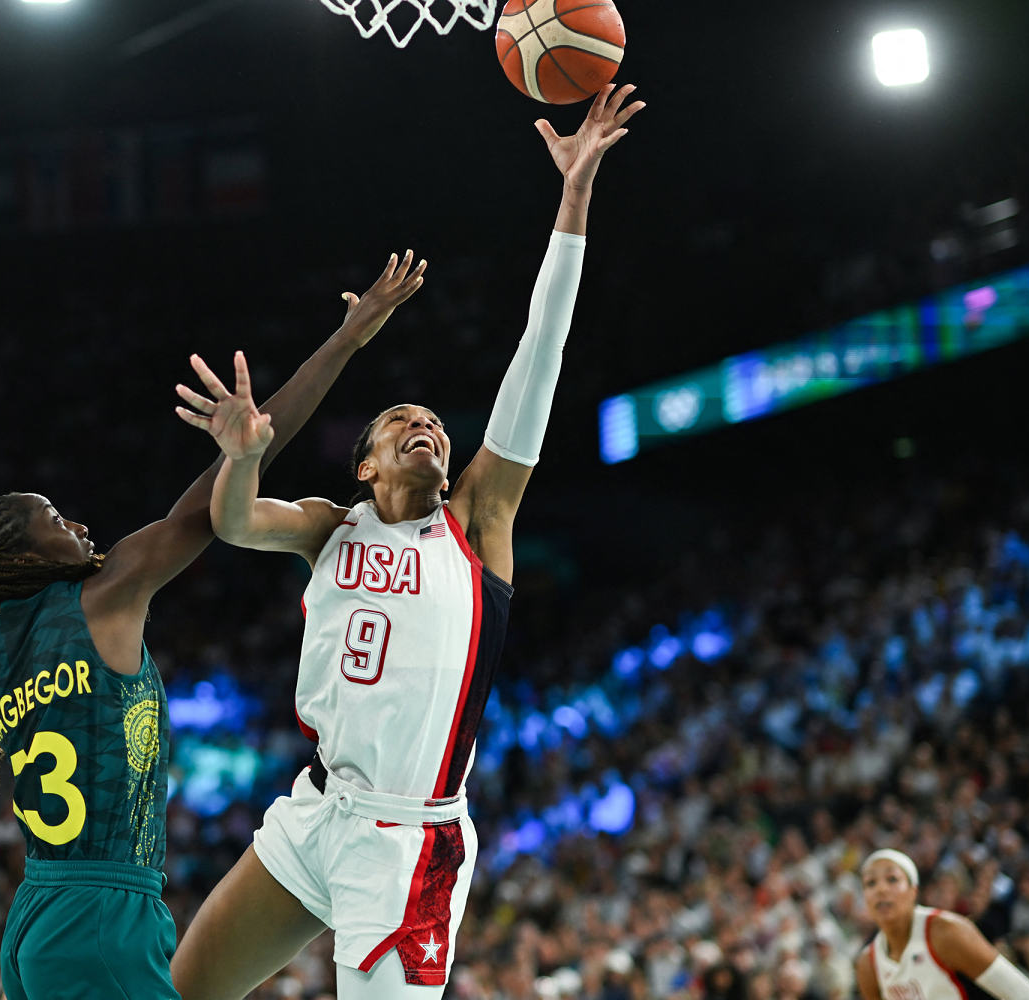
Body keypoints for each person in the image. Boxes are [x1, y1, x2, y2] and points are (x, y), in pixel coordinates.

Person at [0, 254, 427, 1000]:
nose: (76, 521)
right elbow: (217, 494)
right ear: (17, 554)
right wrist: (342, 344)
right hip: (107, 914)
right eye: (52, 518)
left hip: (38, 916)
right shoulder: (105, 594)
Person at [170, 83, 644, 999]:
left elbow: (539, 352)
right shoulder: (326, 526)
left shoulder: (477, 523)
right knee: (183, 989)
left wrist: (574, 198)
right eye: (402, 423)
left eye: (436, 423)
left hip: (408, 841)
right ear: (365, 467)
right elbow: (232, 522)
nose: (427, 427)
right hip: (316, 812)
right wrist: (240, 455)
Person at [855, 848, 1029, 1000]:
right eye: (870, 883)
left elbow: (1024, 994)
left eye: (892, 879)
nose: (881, 889)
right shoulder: (868, 964)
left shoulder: (946, 931)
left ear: (913, 891)